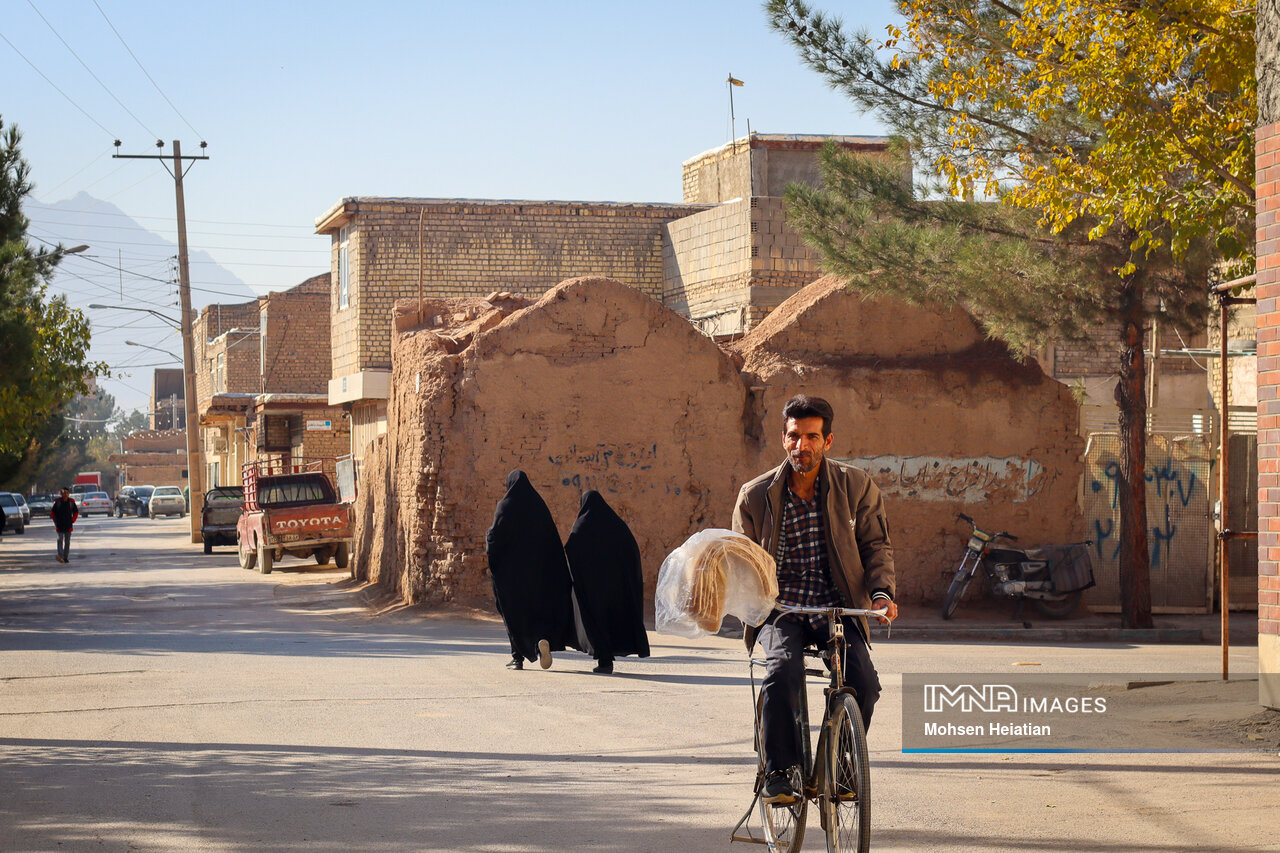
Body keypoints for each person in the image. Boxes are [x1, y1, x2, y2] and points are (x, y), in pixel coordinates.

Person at [732, 394, 898, 805]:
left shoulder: (855, 486)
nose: (800, 446)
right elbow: (739, 560)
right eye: (793, 436)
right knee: (780, 673)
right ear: (783, 439)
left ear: (828, 441)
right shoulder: (755, 496)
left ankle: (841, 765)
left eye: (811, 437)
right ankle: (779, 771)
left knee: (865, 683)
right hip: (780, 608)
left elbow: (876, 545)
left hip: (836, 605)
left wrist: (881, 594)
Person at [485, 470, 579, 670]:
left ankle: (517, 657)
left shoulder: (505, 506)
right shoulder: (538, 506)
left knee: (513, 613)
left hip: (513, 576)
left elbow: (495, 538)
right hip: (540, 575)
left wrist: (489, 542)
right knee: (537, 611)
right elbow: (552, 541)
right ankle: (540, 640)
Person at [563, 490, 651, 674]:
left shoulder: (582, 525)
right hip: (616, 589)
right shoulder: (618, 526)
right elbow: (632, 551)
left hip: (593, 589)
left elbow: (571, 549)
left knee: (597, 621)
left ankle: (604, 660)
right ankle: (606, 659)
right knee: (613, 620)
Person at [50, 487, 79, 564]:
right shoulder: (58, 503)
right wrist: (55, 521)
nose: (65, 494)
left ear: (68, 494)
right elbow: (52, 513)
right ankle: (60, 556)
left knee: (67, 542)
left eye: (67, 493)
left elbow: (76, 512)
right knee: (60, 540)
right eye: (64, 493)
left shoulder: (71, 503)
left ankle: (65, 557)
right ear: (61, 494)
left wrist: (73, 520)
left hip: (68, 525)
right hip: (59, 525)